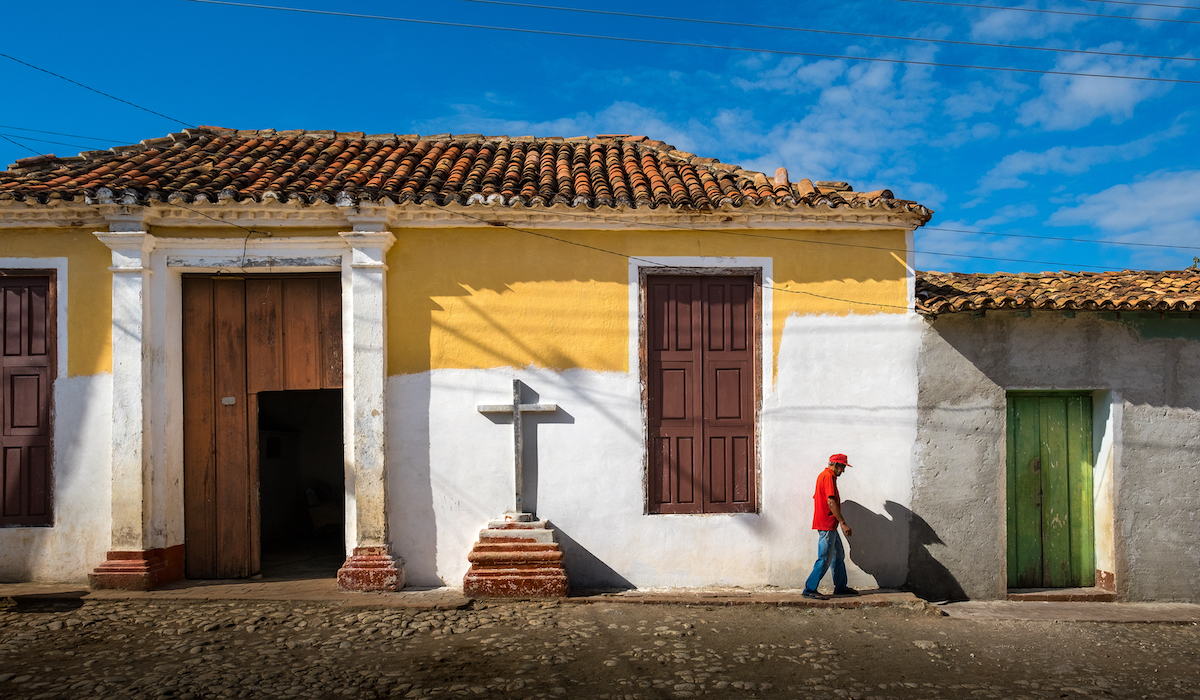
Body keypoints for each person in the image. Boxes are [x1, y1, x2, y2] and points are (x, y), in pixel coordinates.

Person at [802, 453, 859, 600]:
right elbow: (830, 502)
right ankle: (809, 589)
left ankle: (840, 587)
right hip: (827, 525)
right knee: (824, 558)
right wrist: (843, 522)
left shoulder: (826, 476)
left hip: (830, 525)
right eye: (842, 467)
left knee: (838, 556)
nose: (843, 471)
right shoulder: (828, 476)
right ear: (835, 464)